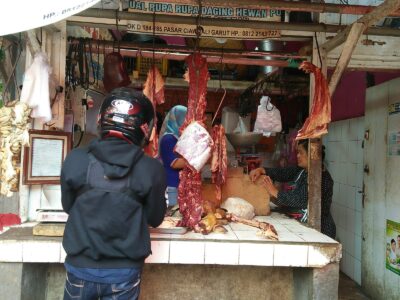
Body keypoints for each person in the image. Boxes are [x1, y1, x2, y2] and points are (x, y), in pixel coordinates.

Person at [61, 87, 167, 300]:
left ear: (102, 119)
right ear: (144, 128)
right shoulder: (151, 169)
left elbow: (68, 206)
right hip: (123, 273)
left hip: (80, 268)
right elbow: (155, 218)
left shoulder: (75, 159)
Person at [250, 139, 336, 239]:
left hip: (320, 230)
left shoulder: (322, 177)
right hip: (304, 228)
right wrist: (262, 170)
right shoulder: (302, 170)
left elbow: (302, 200)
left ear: (311, 154)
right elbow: (283, 173)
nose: (297, 156)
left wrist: (275, 192)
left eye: (300, 153)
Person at [158, 105, 188, 208]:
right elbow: (174, 163)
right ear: (177, 118)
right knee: (172, 217)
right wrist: (195, 162)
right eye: (184, 118)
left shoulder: (177, 138)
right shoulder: (168, 138)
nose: (186, 122)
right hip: (171, 186)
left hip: (178, 185)